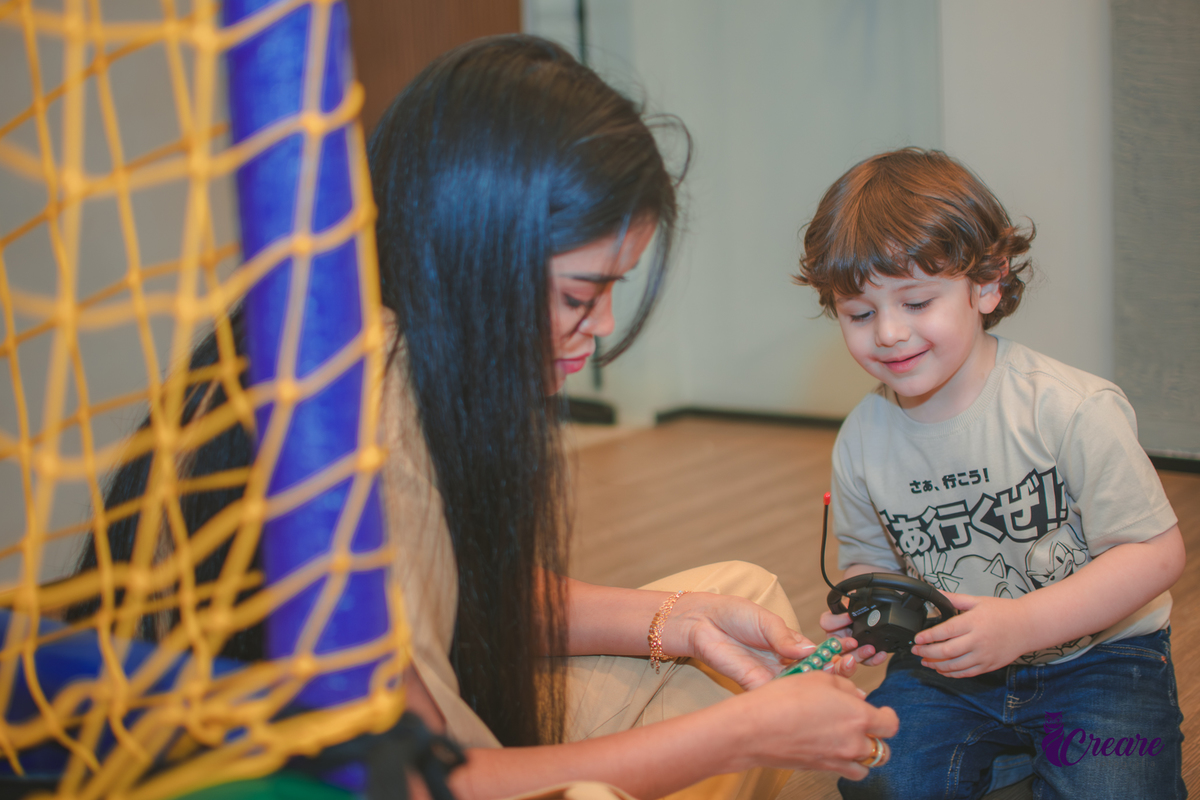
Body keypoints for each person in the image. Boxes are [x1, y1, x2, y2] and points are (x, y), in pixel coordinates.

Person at [70, 36, 897, 800]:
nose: (603, 325)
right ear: (471, 255)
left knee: (736, 602)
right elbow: (424, 780)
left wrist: (673, 623)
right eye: (580, 294)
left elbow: (452, 598)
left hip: (409, 736)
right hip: (346, 777)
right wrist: (736, 740)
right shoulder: (365, 415)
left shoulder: (373, 318)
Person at [795, 148, 1186, 799]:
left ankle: (1032, 754)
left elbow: (1155, 552)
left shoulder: (1071, 408)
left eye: (916, 302)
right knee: (877, 781)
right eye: (859, 314)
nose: (888, 333)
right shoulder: (862, 437)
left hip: (1101, 661)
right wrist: (870, 612)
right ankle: (1017, 755)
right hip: (946, 668)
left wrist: (1023, 625)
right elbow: (868, 560)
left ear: (987, 283)